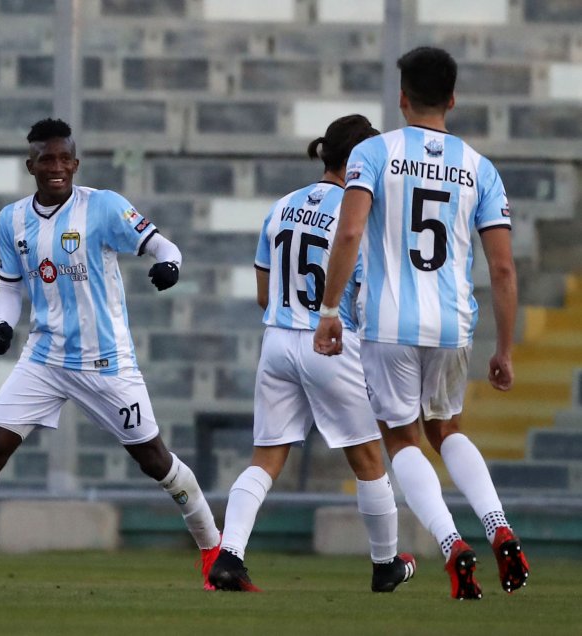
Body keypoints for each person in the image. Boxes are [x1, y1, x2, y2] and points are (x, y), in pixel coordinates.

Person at [0, 117, 222, 590]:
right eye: (46, 159)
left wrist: (170, 266)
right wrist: (2, 323)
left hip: (105, 359)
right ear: (30, 164)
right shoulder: (11, 220)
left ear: (75, 163)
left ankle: (213, 550)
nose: (56, 167)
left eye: (63, 159)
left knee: (155, 460)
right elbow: (10, 286)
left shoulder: (104, 207)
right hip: (44, 358)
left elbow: (164, 245)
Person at [314, 46, 530, 600]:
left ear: (402, 97)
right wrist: (504, 348)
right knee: (448, 428)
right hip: (452, 325)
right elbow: (503, 268)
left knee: (402, 437)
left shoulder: (373, 152)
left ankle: (452, 543)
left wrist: (332, 309)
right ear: (453, 99)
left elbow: (350, 233)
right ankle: (498, 525)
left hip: (388, 323)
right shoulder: (480, 168)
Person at [207, 115, 415, 593]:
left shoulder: (282, 206)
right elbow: (368, 292)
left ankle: (230, 555)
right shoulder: (360, 213)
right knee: (367, 457)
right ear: (360, 159)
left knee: (265, 459)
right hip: (331, 340)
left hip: (277, 340)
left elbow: (264, 291)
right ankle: (386, 564)